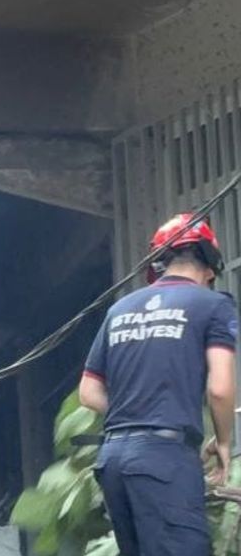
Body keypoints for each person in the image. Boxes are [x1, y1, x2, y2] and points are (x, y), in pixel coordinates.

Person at [79, 213, 238, 556]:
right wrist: (224, 442)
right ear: (210, 268)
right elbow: (221, 389)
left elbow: (89, 394)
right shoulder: (214, 305)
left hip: (114, 461)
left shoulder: (118, 310)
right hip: (164, 460)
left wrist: (137, 409)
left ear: (161, 263)